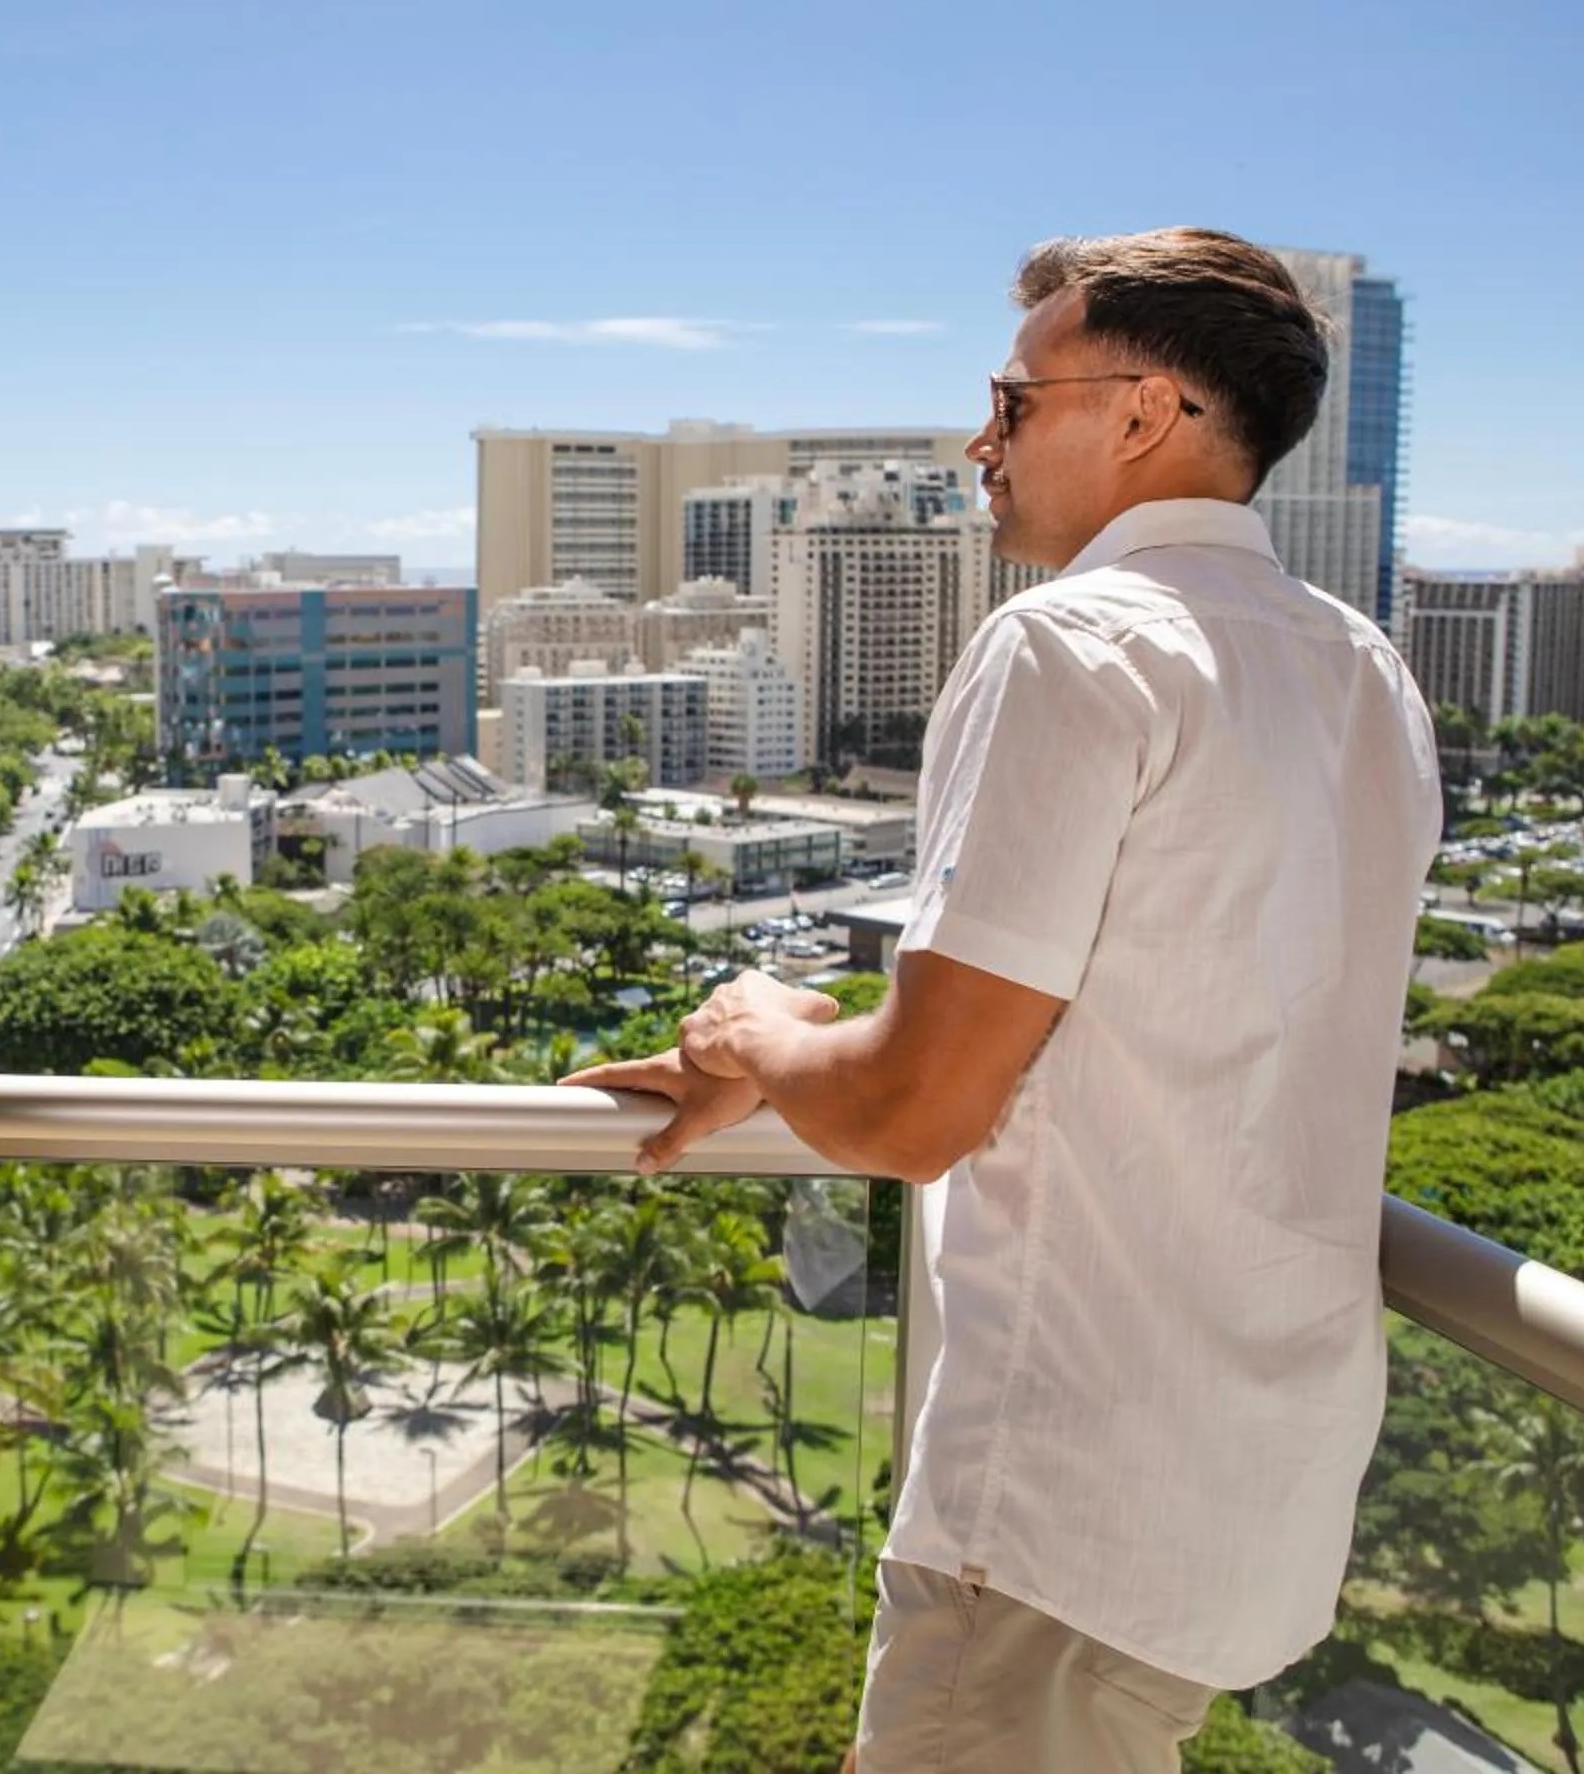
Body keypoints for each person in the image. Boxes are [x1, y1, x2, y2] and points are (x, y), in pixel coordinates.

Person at [568, 228, 1442, 1772]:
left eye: (1012, 398)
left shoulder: (1071, 645)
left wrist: (755, 1033)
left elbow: (917, 1113)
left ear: (1143, 413)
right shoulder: (1358, 664)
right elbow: (1141, 987)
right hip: (1264, 1465)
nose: (981, 442)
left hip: (1070, 1491)